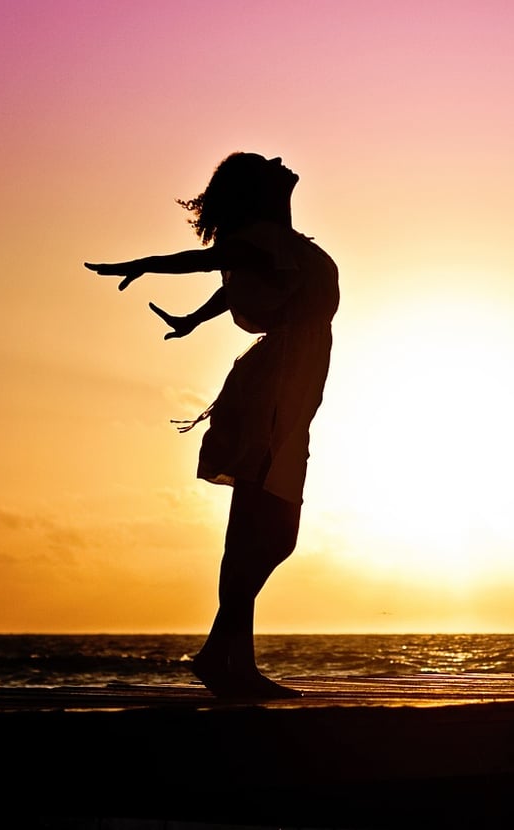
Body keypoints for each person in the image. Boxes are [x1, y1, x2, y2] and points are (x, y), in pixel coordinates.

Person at [85, 153, 339, 698]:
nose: (279, 160)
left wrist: (193, 319)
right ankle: (231, 661)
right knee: (263, 529)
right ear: (259, 190)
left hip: (288, 387)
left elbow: (235, 283)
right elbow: (208, 262)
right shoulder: (263, 238)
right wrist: (147, 264)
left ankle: (221, 656)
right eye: (267, 164)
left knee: (268, 532)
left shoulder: (282, 244)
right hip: (273, 390)